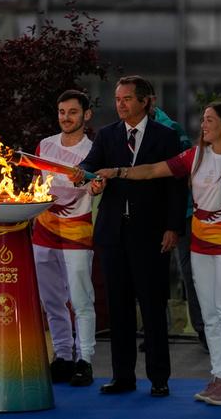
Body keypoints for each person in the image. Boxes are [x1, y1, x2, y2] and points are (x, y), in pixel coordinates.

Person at [95, 100, 221, 407]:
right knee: (210, 315)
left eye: (211, 120)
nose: (204, 125)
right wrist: (119, 171)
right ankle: (218, 376)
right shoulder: (195, 156)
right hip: (200, 248)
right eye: (204, 119)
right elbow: (153, 170)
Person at [71, 76, 187, 398]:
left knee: (152, 306)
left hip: (150, 234)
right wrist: (89, 181)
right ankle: (123, 376)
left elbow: (175, 187)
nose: (120, 104)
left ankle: (159, 377)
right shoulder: (107, 135)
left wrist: (172, 227)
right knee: (118, 308)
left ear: (144, 101)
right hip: (112, 234)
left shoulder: (166, 137)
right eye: (117, 98)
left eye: (127, 99)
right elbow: (91, 168)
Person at [31, 89, 97, 386]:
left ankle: (84, 360)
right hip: (44, 231)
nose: (66, 118)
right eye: (61, 112)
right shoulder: (44, 146)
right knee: (52, 300)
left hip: (77, 232)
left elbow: (96, 187)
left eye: (72, 112)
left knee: (80, 299)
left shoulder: (94, 151)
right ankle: (62, 356)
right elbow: (36, 185)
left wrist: (96, 188)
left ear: (86, 115)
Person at [151, 104, 207, 352]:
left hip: (181, 215)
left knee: (190, 273)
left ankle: (203, 329)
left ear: (149, 101)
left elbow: (182, 174)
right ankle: (156, 329)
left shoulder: (171, 130)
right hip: (151, 216)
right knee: (151, 275)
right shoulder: (126, 131)